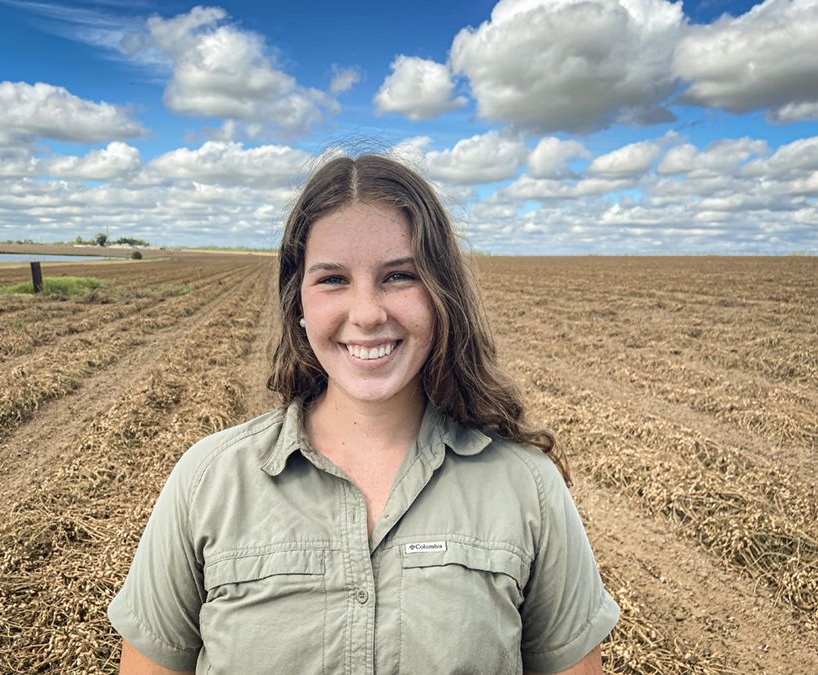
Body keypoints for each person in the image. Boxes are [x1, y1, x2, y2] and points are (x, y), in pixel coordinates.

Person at [108, 153, 620, 674]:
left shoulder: (527, 487)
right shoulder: (207, 482)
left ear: (441, 295)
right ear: (298, 305)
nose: (368, 313)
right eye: (333, 280)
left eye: (398, 276)